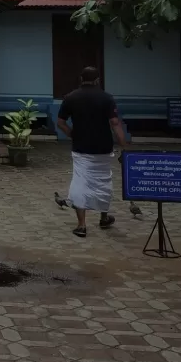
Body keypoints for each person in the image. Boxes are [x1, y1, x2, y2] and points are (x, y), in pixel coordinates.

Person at [56, 66, 127, 238]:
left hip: (81, 148)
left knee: (81, 182)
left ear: (81, 79)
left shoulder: (70, 97)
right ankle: (104, 217)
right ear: (97, 80)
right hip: (103, 148)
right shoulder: (107, 98)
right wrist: (125, 147)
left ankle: (81, 225)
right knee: (103, 181)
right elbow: (115, 124)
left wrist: (72, 134)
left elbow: (60, 122)